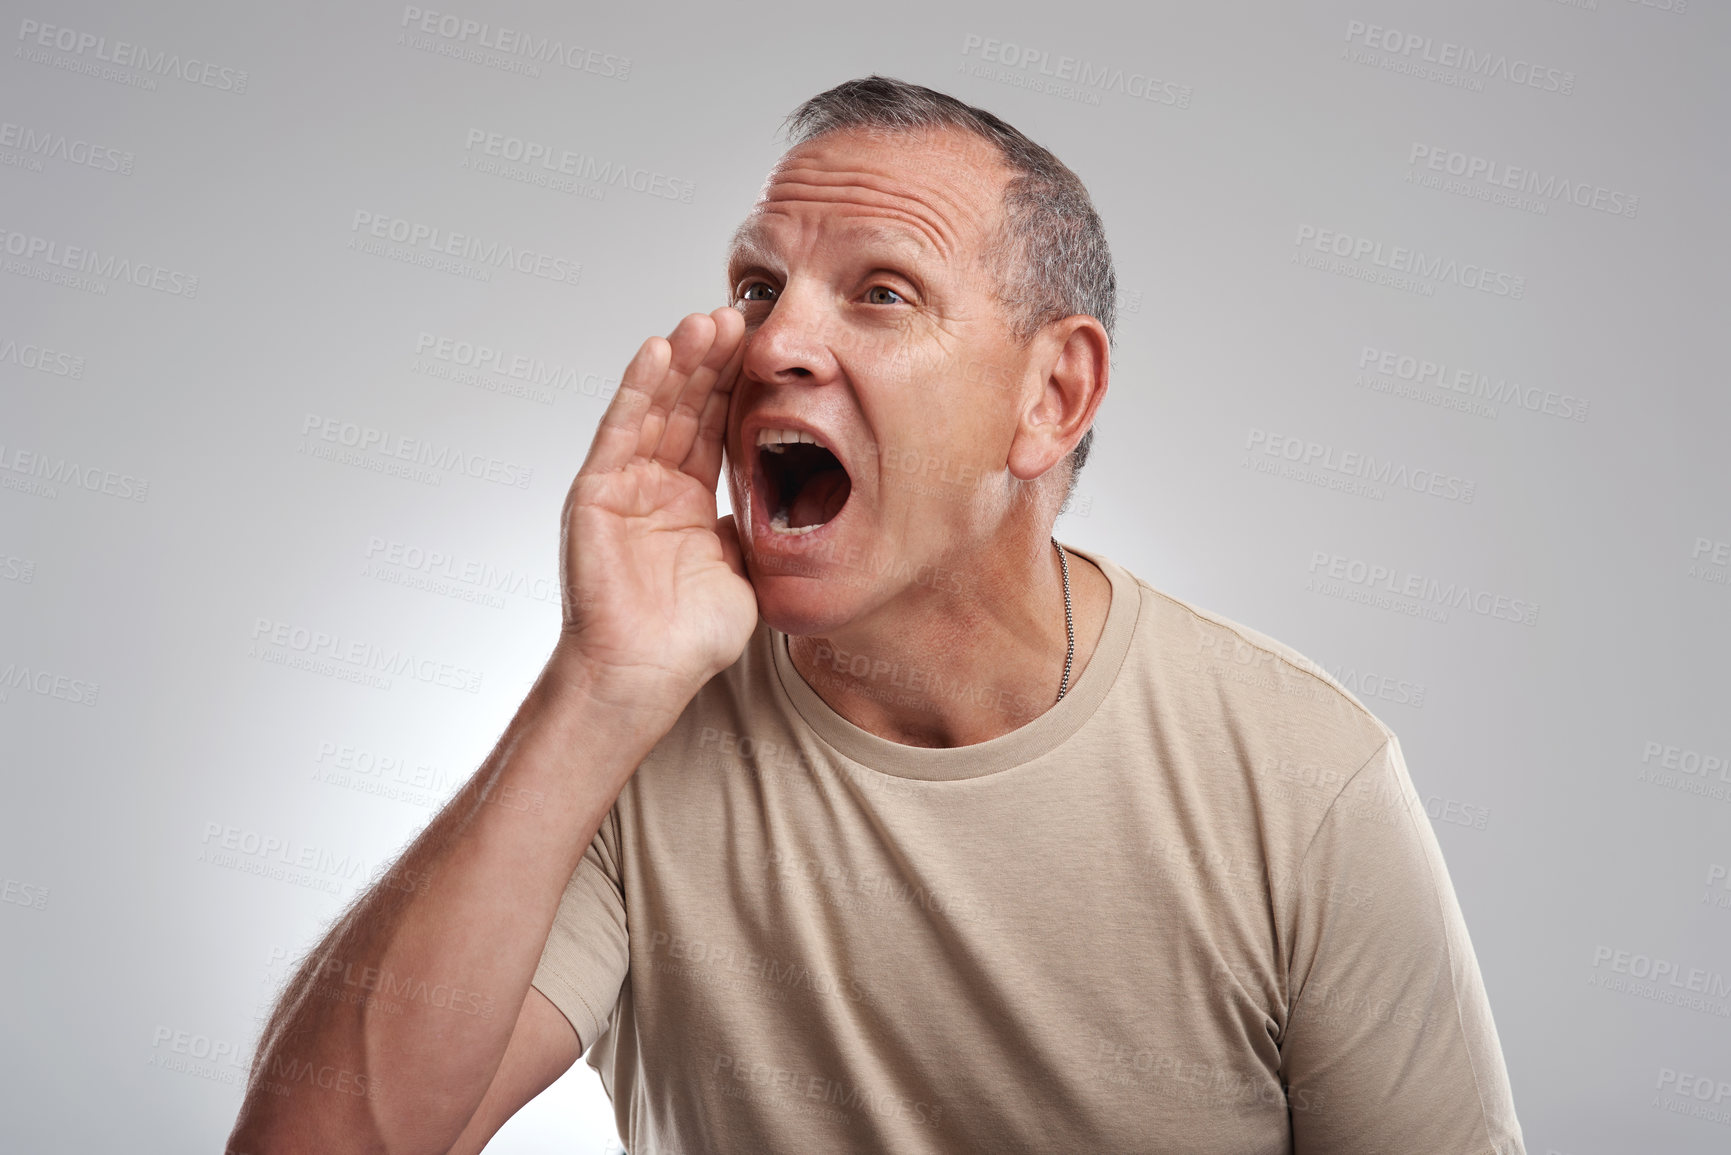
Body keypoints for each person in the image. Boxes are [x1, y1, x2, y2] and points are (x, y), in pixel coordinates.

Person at [228, 76, 1526, 1154]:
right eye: (756, 287)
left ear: (1053, 397)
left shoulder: (1305, 779)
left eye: (882, 291)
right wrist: (600, 682)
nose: (775, 343)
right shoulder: (634, 746)